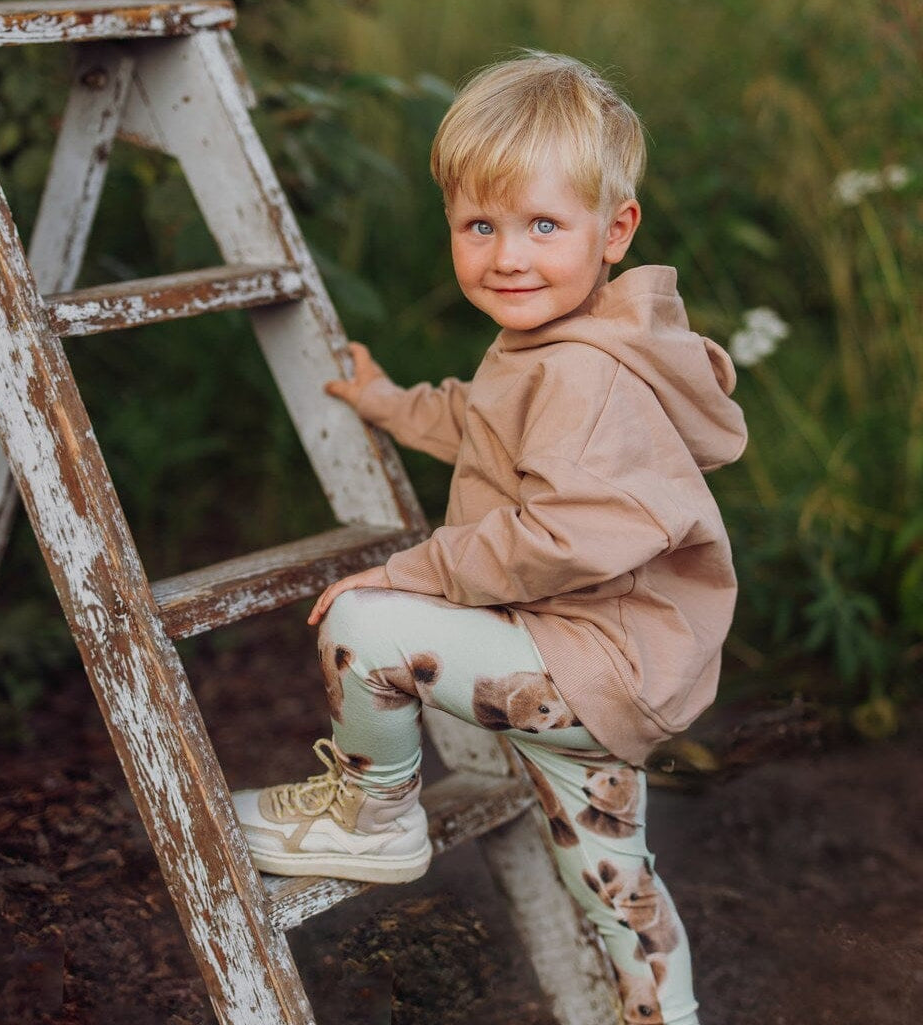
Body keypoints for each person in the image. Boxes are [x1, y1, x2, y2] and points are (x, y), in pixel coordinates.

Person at [233, 51, 746, 1025]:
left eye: (541, 225)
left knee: (366, 624)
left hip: (580, 658)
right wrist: (391, 403)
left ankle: (372, 812)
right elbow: (485, 422)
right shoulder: (566, 337)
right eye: (480, 226)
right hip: (607, 668)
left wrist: (410, 571)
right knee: (615, 883)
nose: (507, 256)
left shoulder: (585, 374)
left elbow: (556, 535)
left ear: (615, 229)